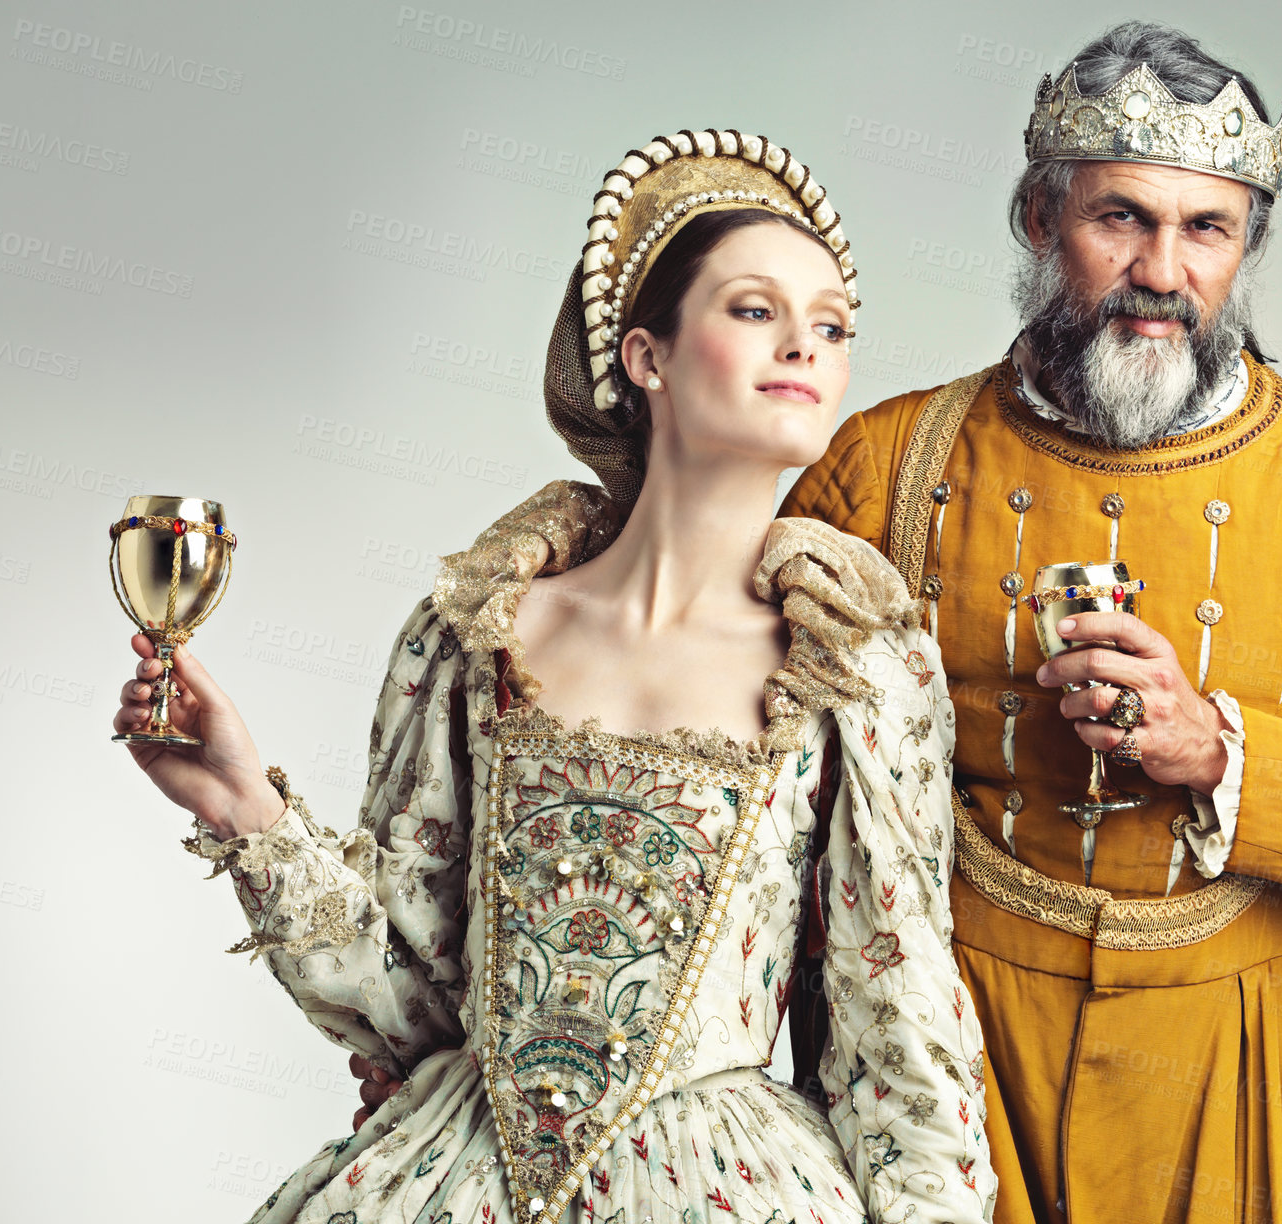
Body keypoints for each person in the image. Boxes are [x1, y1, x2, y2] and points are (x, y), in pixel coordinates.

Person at [521, 24, 1282, 1224]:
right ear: (1039, 222)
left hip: (1257, 1063)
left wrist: (1225, 755)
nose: (1162, 268)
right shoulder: (880, 461)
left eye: (1206, 229)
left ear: (1247, 247)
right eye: (1121, 218)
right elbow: (729, 780)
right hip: (953, 1071)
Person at [114, 129, 995, 1224]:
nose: (806, 348)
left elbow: (895, 1014)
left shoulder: (850, 664)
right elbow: (416, 1000)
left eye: (831, 326)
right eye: (756, 310)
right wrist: (245, 806)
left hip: (724, 1189)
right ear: (645, 357)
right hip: (452, 1175)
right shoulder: (480, 634)